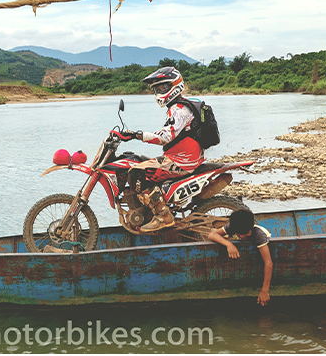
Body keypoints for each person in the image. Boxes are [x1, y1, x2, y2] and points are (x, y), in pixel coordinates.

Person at [114, 66, 204, 233]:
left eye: (163, 87)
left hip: (182, 161)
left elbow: (166, 137)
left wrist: (138, 135)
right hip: (184, 156)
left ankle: (163, 215)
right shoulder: (178, 106)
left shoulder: (179, 109)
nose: (159, 91)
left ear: (174, 85)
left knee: (136, 173)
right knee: (139, 161)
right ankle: (152, 208)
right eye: (157, 88)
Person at [208, 209, 273, 306]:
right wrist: (229, 245)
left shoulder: (259, 235)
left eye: (247, 235)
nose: (243, 237)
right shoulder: (234, 227)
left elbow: (268, 263)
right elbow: (212, 235)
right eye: (238, 235)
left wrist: (265, 290)